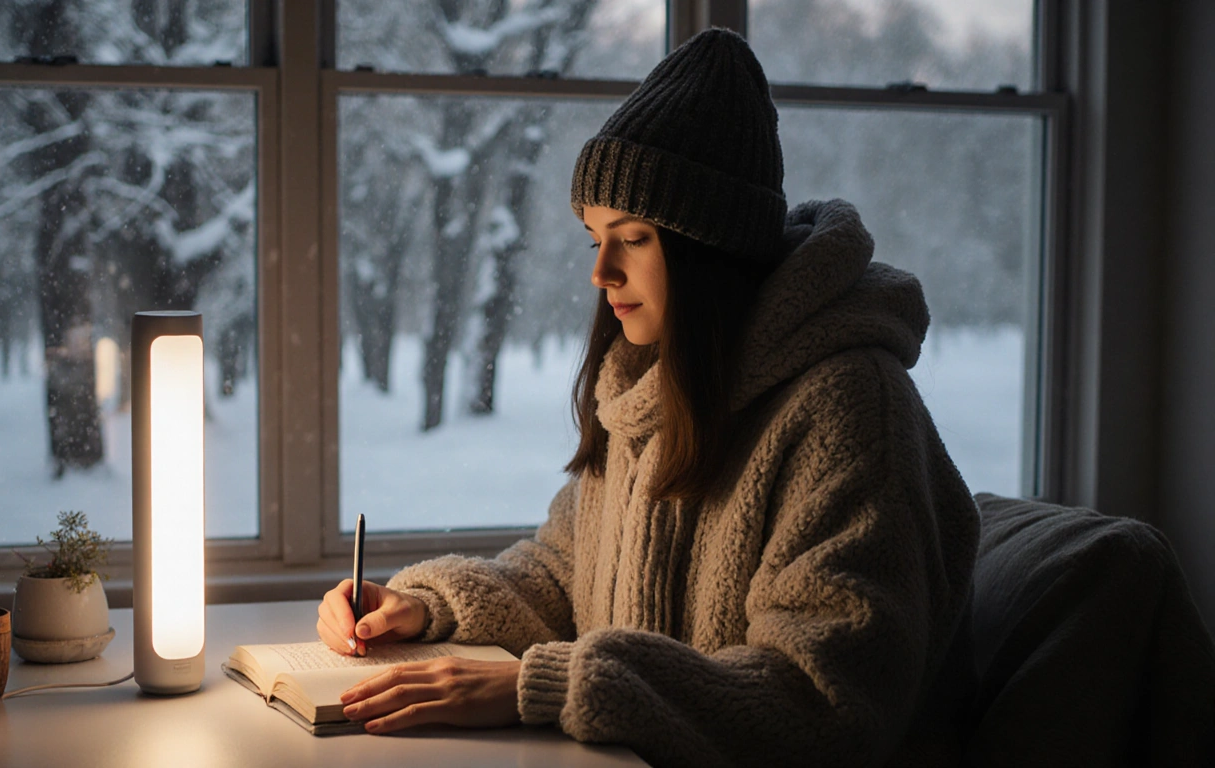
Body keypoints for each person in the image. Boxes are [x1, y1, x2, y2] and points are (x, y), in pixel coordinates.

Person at [316, 28, 980, 767]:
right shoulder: (642, 387)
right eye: (593, 238)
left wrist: (541, 685)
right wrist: (423, 606)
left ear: (709, 249)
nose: (601, 272)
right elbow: (563, 578)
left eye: (631, 238)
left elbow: (823, 704)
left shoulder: (847, 408)